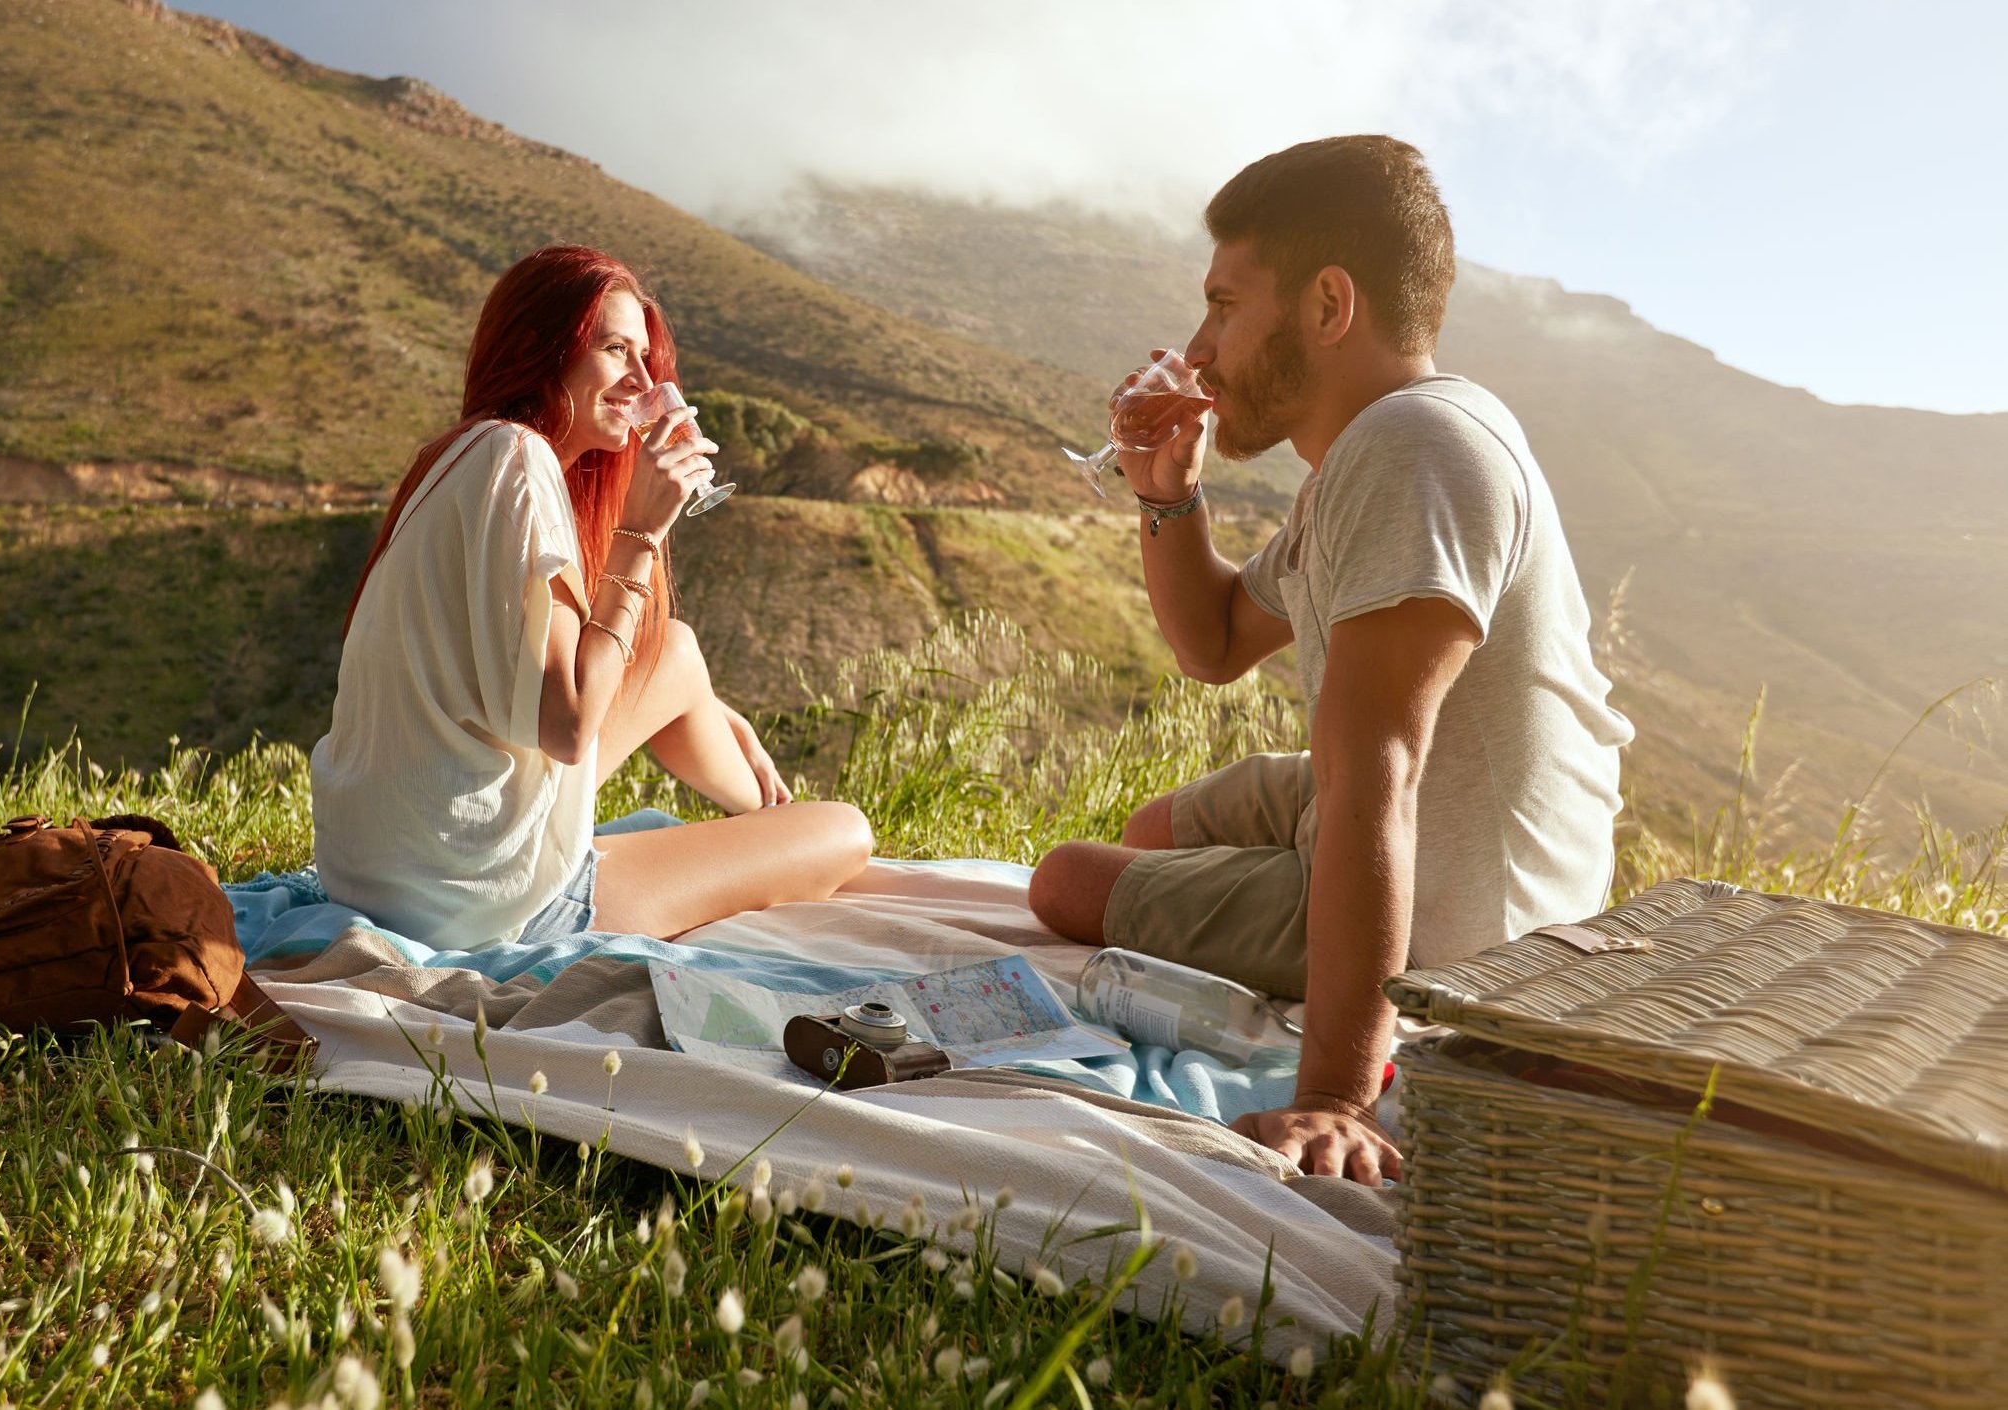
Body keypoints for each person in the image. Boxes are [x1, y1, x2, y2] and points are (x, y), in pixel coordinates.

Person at [1025, 137, 1634, 1185]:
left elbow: (1377, 777)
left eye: (1224, 304)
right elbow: (1213, 644)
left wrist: (1337, 1098)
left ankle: (1330, 976)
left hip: (1462, 910)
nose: (1199, 347)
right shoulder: (1371, 454)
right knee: (1150, 832)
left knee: (1067, 879)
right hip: (1429, 813)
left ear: (1328, 305)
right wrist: (1166, 492)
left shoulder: (1415, 452)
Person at [311, 244, 873, 949]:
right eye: (615, 350)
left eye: (647, 359)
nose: (642, 380)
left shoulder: (463, 454)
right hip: (468, 897)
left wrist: (710, 702)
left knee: (673, 648)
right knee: (846, 831)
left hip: (376, 865)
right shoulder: (518, 459)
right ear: (543, 352)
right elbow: (570, 728)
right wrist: (640, 531)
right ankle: (771, 828)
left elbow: (578, 680)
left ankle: (763, 814)